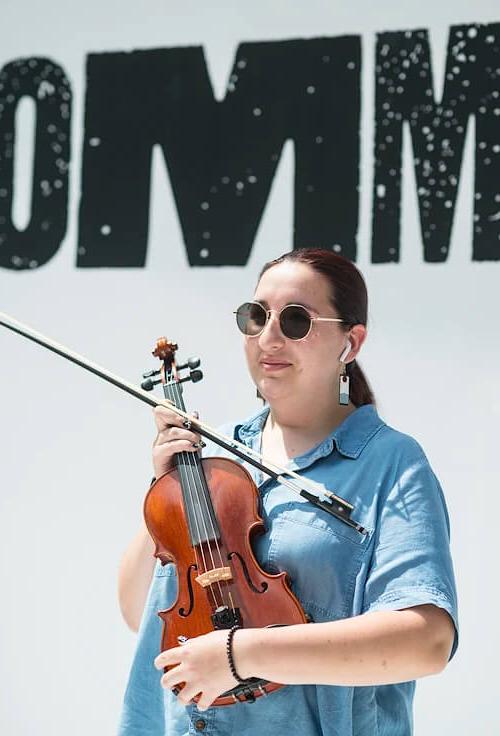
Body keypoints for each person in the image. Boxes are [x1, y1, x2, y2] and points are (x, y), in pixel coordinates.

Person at [117, 248, 458, 736]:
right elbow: (143, 618)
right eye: (256, 317)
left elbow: (426, 641)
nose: (268, 338)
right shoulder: (214, 457)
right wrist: (164, 491)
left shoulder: (391, 463)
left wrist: (243, 655)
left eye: (296, 320)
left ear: (350, 342)